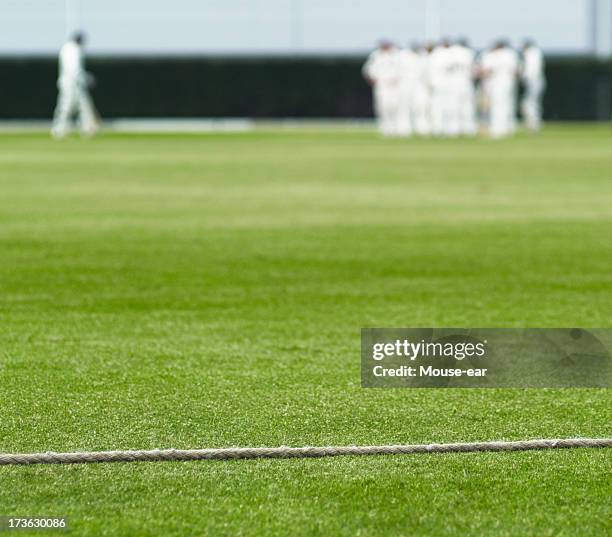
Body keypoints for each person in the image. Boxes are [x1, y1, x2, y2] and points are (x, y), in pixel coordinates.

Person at [51, 31, 99, 139]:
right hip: (72, 84)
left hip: (73, 83)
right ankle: (59, 130)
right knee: (66, 107)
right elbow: (74, 69)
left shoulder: (67, 49)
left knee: (83, 106)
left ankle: (87, 129)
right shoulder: (73, 50)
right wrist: (85, 79)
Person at [362, 40, 404, 137]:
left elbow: (402, 70)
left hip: (394, 86)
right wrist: (373, 80)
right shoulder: (375, 56)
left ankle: (397, 128)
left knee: (395, 107)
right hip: (381, 86)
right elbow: (367, 70)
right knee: (382, 107)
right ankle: (385, 128)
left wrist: (398, 79)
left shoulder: (396, 55)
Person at [480, 40, 519, 138]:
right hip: (509, 82)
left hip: (497, 83)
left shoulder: (495, 55)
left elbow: (487, 71)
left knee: (497, 107)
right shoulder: (511, 54)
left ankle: (498, 129)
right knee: (507, 105)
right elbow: (516, 71)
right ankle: (508, 127)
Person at [450, 38, 477, 136]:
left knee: (454, 106)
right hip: (466, 82)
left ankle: (454, 129)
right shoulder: (468, 53)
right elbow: (473, 69)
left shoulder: (451, 52)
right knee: (467, 106)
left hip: (453, 82)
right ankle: (469, 129)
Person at [429, 39, 456, 136]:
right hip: (446, 85)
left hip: (441, 84)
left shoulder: (437, 54)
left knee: (440, 107)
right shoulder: (450, 53)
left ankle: (439, 128)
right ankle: (446, 129)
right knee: (446, 107)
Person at [521, 39, 546, 132]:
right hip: (535, 80)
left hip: (534, 81)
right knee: (531, 103)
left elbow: (531, 70)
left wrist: (524, 77)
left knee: (530, 103)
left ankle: (533, 124)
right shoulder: (535, 53)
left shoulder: (532, 53)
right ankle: (533, 123)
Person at [411, 43, 434, 136]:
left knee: (429, 109)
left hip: (429, 88)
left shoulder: (431, 58)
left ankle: (428, 128)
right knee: (421, 108)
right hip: (421, 88)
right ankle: (422, 128)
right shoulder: (421, 59)